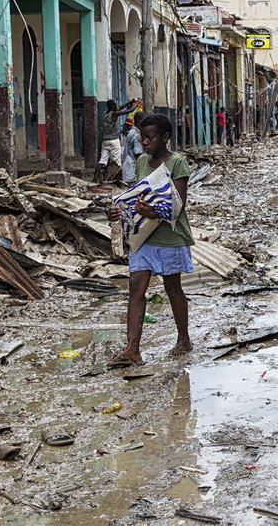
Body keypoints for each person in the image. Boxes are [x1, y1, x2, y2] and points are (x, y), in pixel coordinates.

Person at [107, 113, 195, 366]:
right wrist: (118, 209)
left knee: (172, 288)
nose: (145, 142)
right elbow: (137, 195)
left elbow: (178, 204)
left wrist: (153, 211)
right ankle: (133, 348)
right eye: (143, 138)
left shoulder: (177, 163)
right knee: (136, 288)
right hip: (143, 236)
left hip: (169, 236)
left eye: (150, 138)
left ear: (165, 138)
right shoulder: (143, 161)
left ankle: (183, 339)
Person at [96, 98, 138, 183]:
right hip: (114, 140)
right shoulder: (114, 114)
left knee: (102, 161)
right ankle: (117, 179)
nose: (116, 106)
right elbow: (130, 110)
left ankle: (95, 179)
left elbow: (120, 107)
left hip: (105, 141)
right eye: (114, 105)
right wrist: (137, 103)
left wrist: (129, 102)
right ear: (111, 107)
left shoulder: (105, 113)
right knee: (118, 162)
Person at [120, 112, 144, 184]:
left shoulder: (132, 132)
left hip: (128, 165)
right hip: (132, 167)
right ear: (140, 122)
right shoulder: (136, 135)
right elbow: (138, 154)